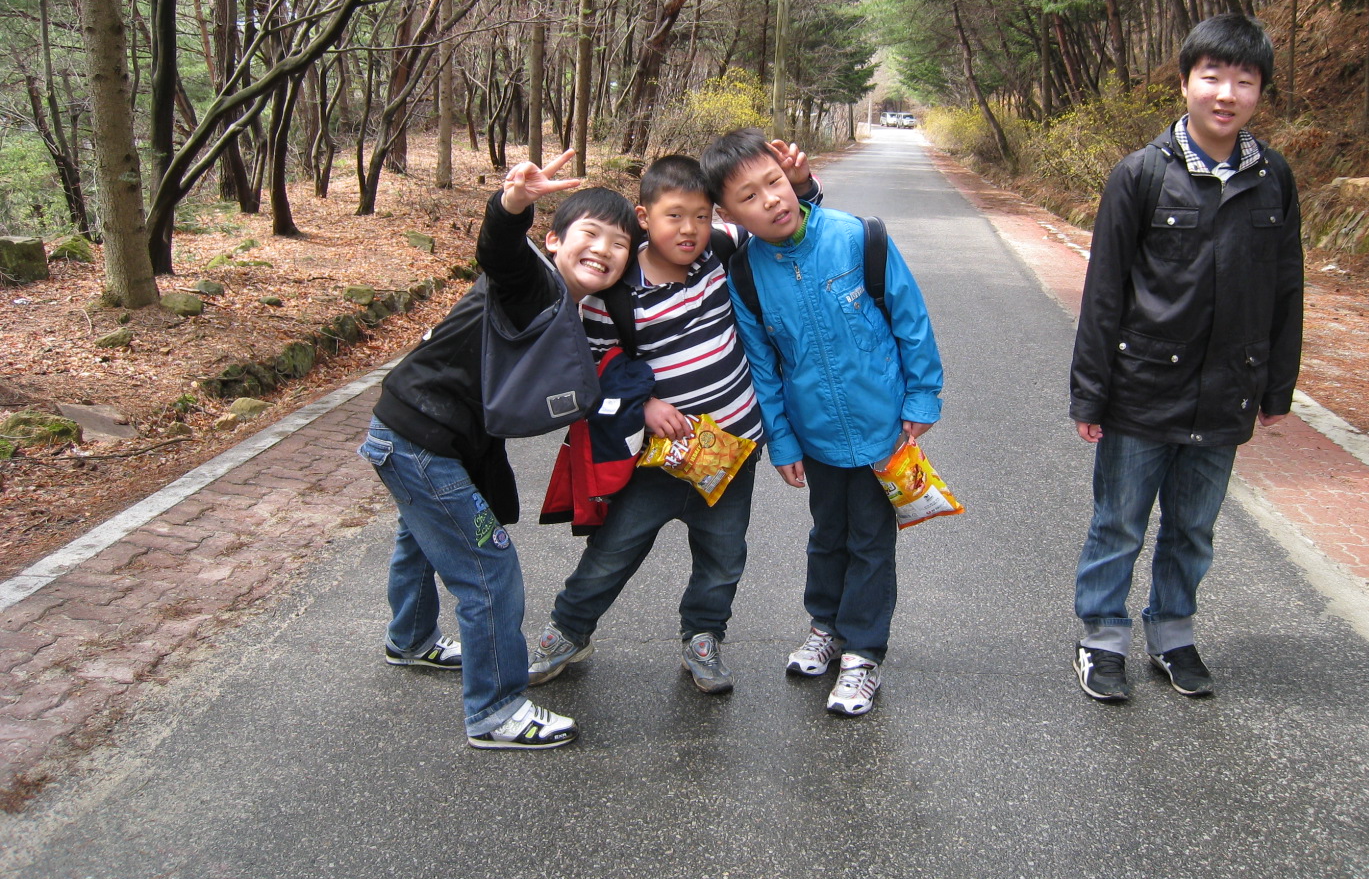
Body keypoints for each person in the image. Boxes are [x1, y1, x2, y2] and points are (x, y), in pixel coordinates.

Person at [358, 151, 636, 749]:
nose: (605, 250)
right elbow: (499, 251)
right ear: (555, 240)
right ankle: (495, 711)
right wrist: (513, 204)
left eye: (620, 244)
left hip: (427, 434)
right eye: (591, 234)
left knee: (420, 535)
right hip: (420, 438)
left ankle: (410, 639)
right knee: (489, 569)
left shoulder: (567, 304)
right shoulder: (532, 281)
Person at [1068, 13, 1304, 703]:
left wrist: (1277, 387)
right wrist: (1091, 393)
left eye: (1244, 80)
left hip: (1226, 391)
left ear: (1260, 92)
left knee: (1193, 529)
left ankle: (1173, 635)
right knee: (1119, 524)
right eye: (1212, 77)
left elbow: (1286, 285)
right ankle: (1101, 640)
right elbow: (1103, 292)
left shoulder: (1273, 179)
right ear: (1184, 82)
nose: (1226, 93)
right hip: (1141, 391)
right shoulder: (1140, 175)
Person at [526, 148, 819, 694]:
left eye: (702, 216)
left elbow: (784, 226)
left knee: (724, 556)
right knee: (612, 553)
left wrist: (802, 186)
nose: (690, 230)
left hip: (732, 453)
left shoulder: (720, 251)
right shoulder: (612, 299)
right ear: (644, 217)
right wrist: (643, 406)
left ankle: (703, 637)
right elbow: (591, 375)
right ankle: (568, 631)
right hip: (656, 462)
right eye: (674, 216)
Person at [701, 129, 944, 717]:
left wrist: (921, 399)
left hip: (883, 427)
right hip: (815, 437)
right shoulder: (747, 275)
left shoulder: (860, 238)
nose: (772, 201)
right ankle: (825, 627)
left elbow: (911, 319)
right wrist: (782, 440)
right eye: (749, 197)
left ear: (792, 179)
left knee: (870, 539)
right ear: (727, 215)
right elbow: (763, 368)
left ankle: (863, 654)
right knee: (826, 536)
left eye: (775, 183)